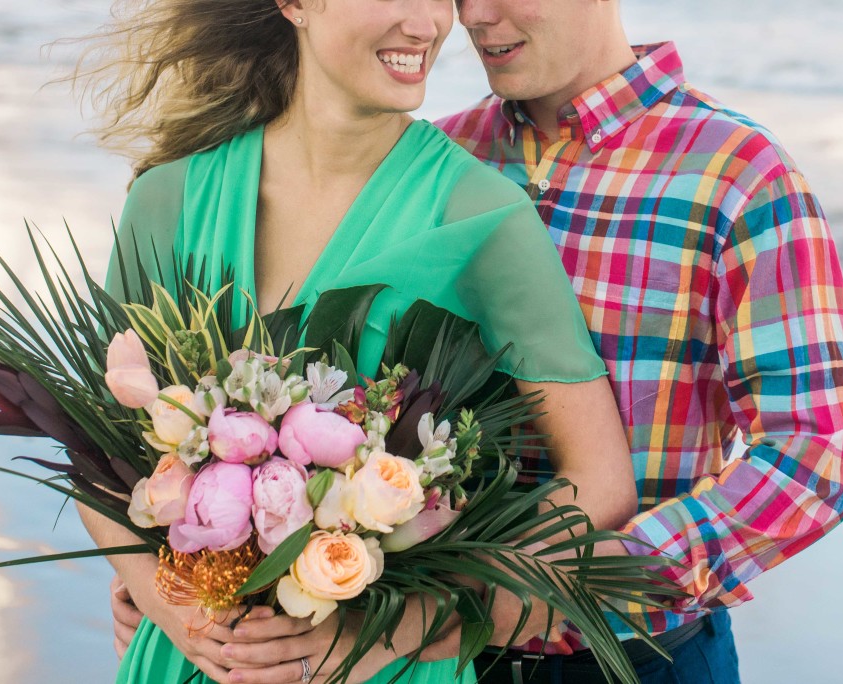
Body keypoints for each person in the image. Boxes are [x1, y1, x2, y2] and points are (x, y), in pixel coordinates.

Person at [82, 0, 641, 683]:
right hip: (193, 655)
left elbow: (600, 481)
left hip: (377, 665)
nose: (425, 24)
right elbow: (94, 455)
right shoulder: (168, 198)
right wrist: (171, 612)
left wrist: (403, 623)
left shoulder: (480, 212)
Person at [423, 0, 843, 682]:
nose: (474, 14)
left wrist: (610, 573)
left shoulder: (740, 173)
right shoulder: (435, 157)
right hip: (430, 651)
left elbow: (816, 446)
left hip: (639, 658)